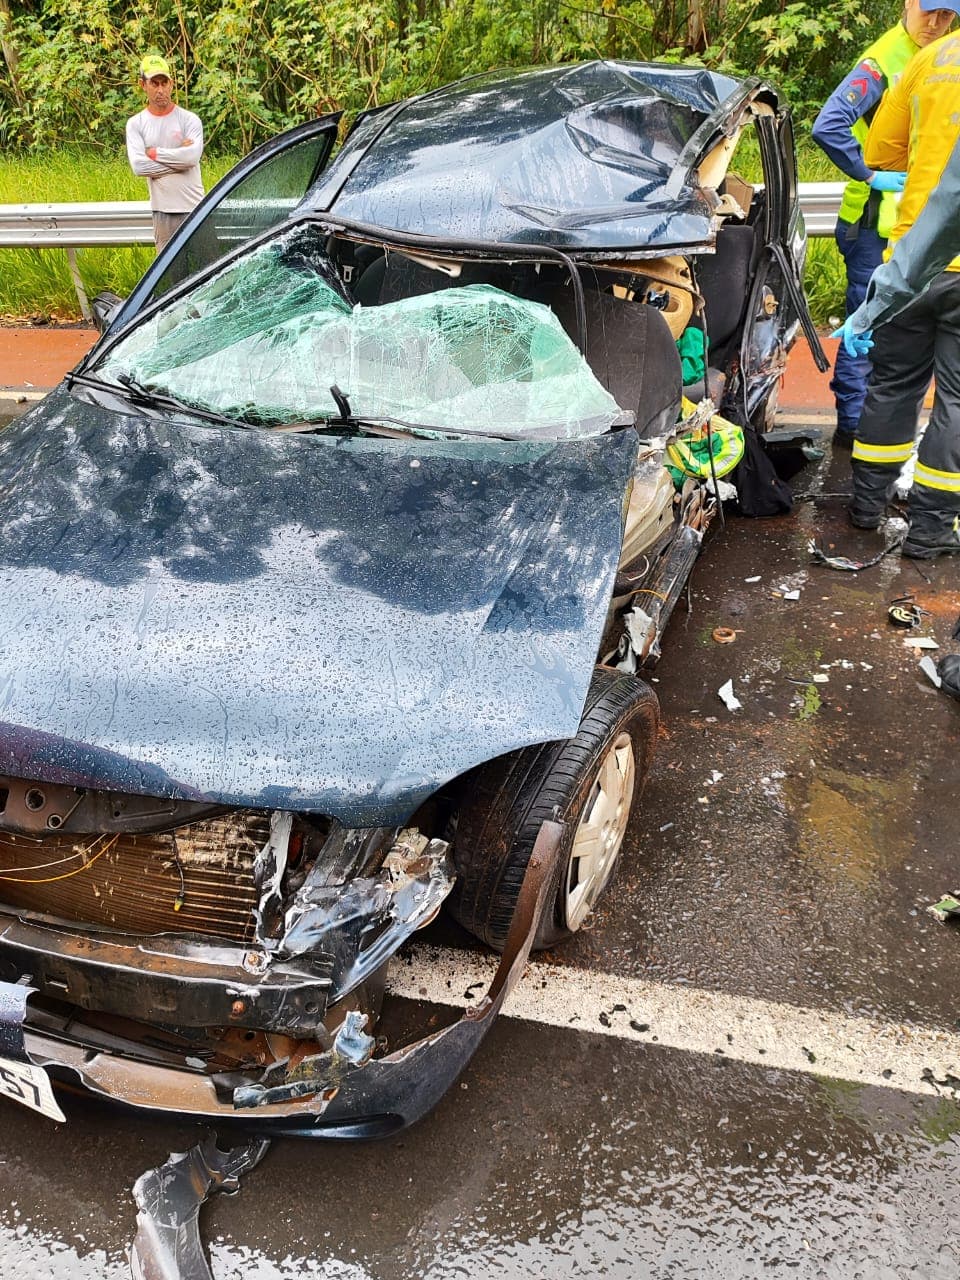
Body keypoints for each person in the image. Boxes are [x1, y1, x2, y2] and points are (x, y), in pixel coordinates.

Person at [811, 0, 956, 445]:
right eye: (929, 11)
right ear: (909, 4)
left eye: (947, 15)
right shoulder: (884, 60)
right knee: (867, 328)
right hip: (876, 226)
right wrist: (869, 173)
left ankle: (871, 445)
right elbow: (830, 124)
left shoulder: (940, 56)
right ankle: (854, 434)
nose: (935, 23)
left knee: (892, 347)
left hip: (914, 235)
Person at [842, 30, 960, 557]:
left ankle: (867, 506)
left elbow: (880, 149)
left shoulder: (930, 58)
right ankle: (931, 531)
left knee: (893, 385)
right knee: (956, 402)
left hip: (909, 254)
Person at [126, 54, 204, 253]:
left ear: (171, 84)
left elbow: (192, 157)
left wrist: (154, 153)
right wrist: (180, 157)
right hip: (163, 213)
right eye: (154, 83)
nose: (160, 90)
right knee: (171, 278)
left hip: (196, 208)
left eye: (164, 83)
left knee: (205, 274)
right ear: (143, 84)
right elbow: (139, 166)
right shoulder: (136, 124)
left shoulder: (189, 120)